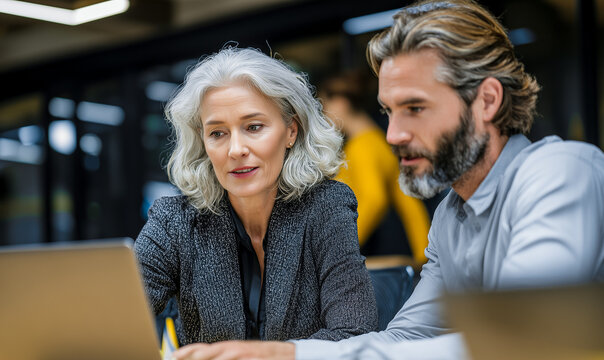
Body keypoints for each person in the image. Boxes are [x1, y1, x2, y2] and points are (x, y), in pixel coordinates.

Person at [170, 1, 604, 359]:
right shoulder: (453, 218)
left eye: (415, 108)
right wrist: (282, 353)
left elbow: (517, 341)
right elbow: (405, 340)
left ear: (487, 100)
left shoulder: (560, 173)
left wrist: (288, 355)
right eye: (389, 111)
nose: (393, 134)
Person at [134, 46, 378, 346]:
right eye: (218, 133)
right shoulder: (175, 221)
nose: (235, 149)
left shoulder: (325, 207)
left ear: (291, 131)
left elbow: (354, 335)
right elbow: (113, 320)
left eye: (253, 127)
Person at [319, 71, 431, 263]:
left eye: (324, 107)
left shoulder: (361, 147)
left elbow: (374, 199)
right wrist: (425, 252)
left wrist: (340, 248)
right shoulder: (379, 142)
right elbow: (409, 203)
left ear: (340, 103)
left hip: (369, 250)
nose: (324, 115)